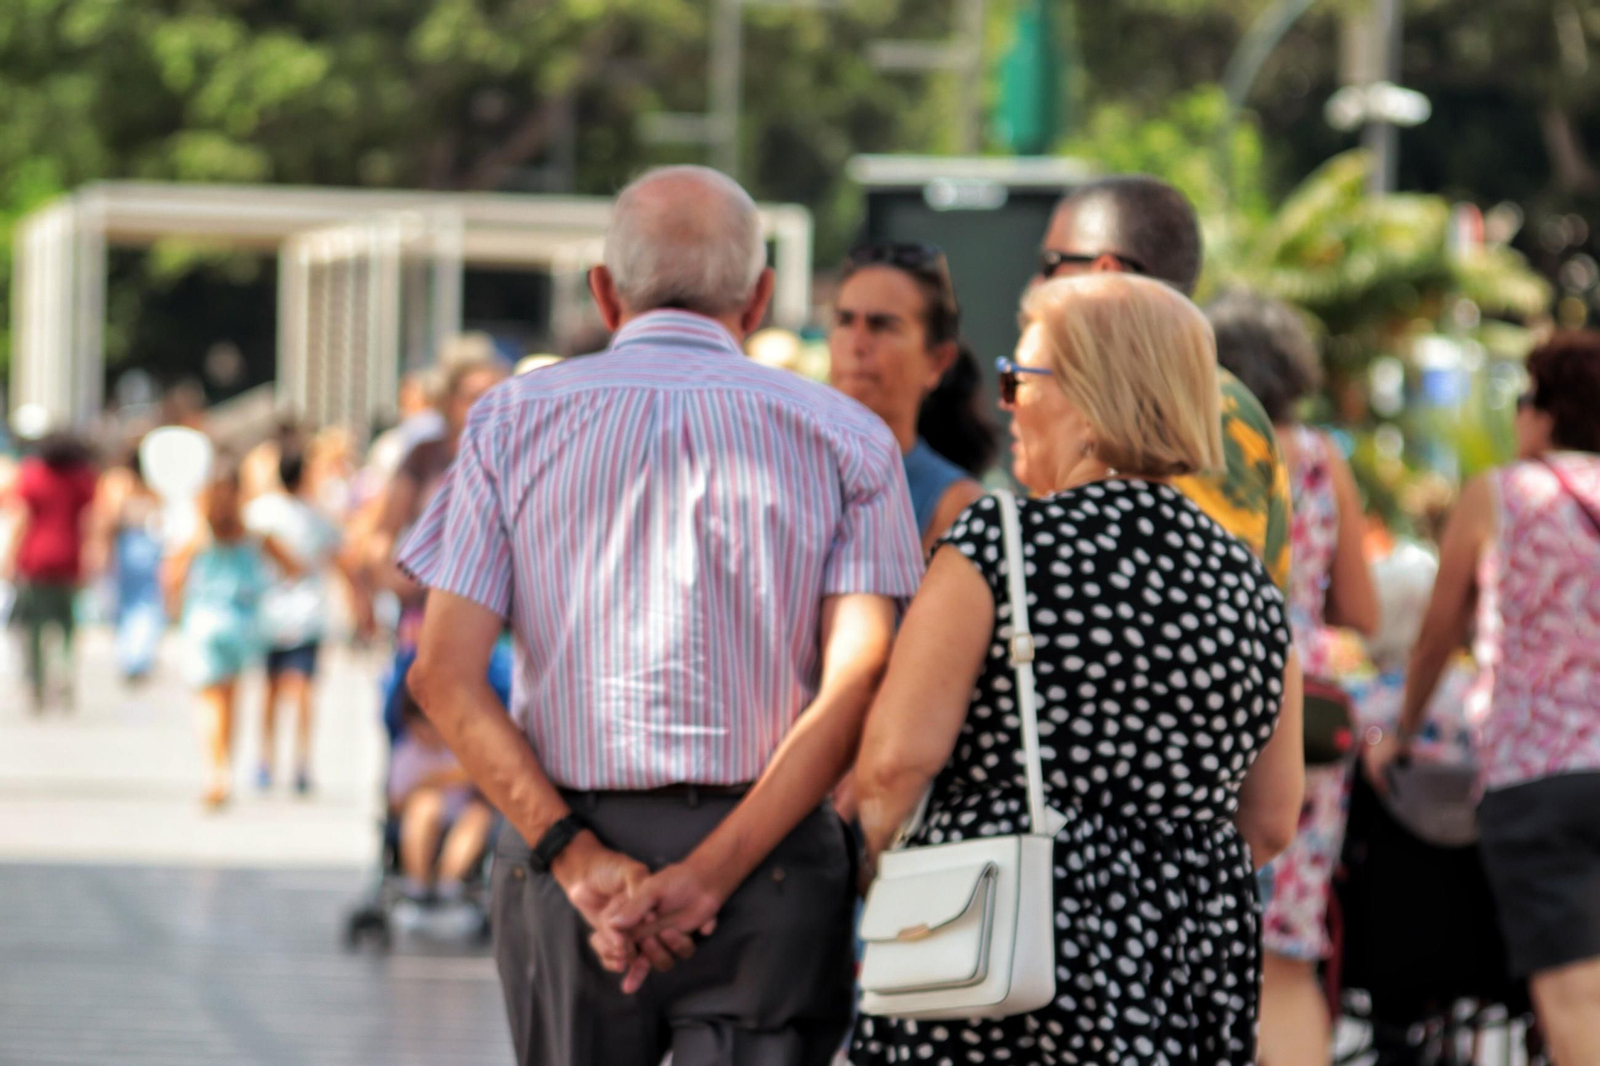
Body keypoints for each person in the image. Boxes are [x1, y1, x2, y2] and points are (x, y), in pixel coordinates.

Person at [401, 165, 924, 1066]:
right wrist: (713, 874)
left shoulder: (509, 423)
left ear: (604, 294)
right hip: (773, 866)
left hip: (564, 850)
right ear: (759, 298)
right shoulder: (848, 437)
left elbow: (441, 675)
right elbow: (860, 675)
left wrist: (576, 858)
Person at [849, 274, 1303, 1066]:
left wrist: (893, 879)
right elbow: (1268, 821)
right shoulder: (1251, 583)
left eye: (1019, 379)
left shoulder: (1004, 544)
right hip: (1182, 972)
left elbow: (892, 768)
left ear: (1090, 395)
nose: (1005, 404)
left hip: (998, 961)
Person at [1367, 331, 1600, 1066]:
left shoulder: (1499, 494)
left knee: (1573, 1003)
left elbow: (1437, 634)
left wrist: (1403, 731)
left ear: (1548, 411)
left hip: (1537, 774)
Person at [1207, 291, 1379, 1066]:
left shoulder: (1199, 445)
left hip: (1206, 689)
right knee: (1286, 959)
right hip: (1305, 708)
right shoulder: (1319, 458)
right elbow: (1361, 609)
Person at [1033, 176, 1292, 590]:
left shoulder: (1205, 407)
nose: (1036, 285)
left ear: (1105, 275)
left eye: (1050, 265)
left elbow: (1203, 598)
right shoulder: (1147, 399)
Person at [829, 242, 997, 551]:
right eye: (844, 321)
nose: (856, 344)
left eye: (882, 326)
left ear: (937, 361)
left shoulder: (956, 505)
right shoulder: (787, 466)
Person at [366, 357, 507, 720]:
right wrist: (389, 578)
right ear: (449, 401)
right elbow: (383, 530)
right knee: (412, 727)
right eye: (472, 395)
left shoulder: (515, 452)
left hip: (496, 624)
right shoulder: (426, 454)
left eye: (493, 394)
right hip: (425, 617)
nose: (482, 404)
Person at [165, 461, 296, 809]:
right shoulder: (253, 533)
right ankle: (225, 769)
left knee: (207, 700)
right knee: (231, 699)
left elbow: (172, 576)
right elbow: (293, 566)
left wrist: (173, 608)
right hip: (242, 622)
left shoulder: (198, 534)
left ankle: (215, 770)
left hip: (204, 620)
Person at [244, 448, 343, 794]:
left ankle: (265, 760)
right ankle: (301, 761)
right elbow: (339, 555)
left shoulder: (260, 512)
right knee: (302, 690)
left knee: (270, 691)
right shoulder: (315, 515)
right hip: (306, 612)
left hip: (268, 612)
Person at [3, 430, 98, 712]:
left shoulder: (34, 475)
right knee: (67, 624)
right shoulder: (81, 478)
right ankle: (65, 677)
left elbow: (22, 518)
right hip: (69, 557)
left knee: (34, 625)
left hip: (36, 558)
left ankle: (38, 683)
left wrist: (9, 558)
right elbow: (89, 520)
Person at [388, 687, 496, 912]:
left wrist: (440, 779)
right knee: (426, 805)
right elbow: (395, 803)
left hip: (462, 816)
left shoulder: (463, 748)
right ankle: (418, 884)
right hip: (423, 821)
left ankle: (449, 883)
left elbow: (486, 781)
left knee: (479, 815)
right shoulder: (407, 753)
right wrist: (423, 787)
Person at [89, 443, 166, 683]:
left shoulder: (117, 482)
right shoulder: (152, 485)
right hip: (148, 544)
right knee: (146, 602)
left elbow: (109, 518)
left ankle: (131, 657)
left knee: (125, 603)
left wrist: (101, 548)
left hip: (127, 545)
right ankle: (140, 656)